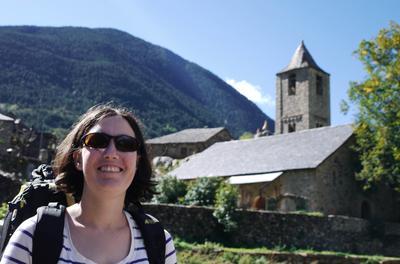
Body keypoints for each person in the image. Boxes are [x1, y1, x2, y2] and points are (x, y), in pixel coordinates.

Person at [1, 104, 177, 264]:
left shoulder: (159, 242)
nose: (111, 153)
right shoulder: (32, 236)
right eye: (98, 141)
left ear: (137, 162)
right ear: (77, 158)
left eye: (125, 143)